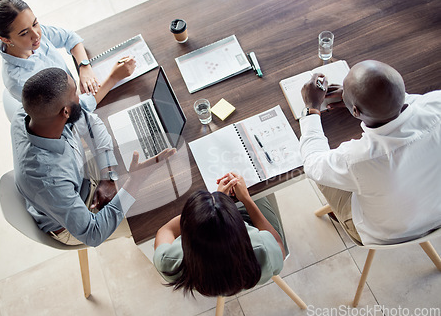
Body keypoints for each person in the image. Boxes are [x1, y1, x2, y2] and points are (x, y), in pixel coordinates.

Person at [11, 67, 174, 247]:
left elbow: (92, 124)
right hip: (74, 223)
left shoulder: (29, 114)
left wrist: (108, 177)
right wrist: (135, 181)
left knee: (143, 158)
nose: (79, 97)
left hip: (77, 177)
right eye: (75, 93)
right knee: (162, 212)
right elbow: (93, 233)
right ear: (65, 112)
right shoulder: (49, 180)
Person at [299, 59, 441, 245]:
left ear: (355, 111)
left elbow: (312, 162)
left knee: (321, 174)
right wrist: (368, 99)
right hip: (435, 213)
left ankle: (343, 217)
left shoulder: (357, 159)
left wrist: (312, 108)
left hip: (386, 233)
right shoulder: (437, 100)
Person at [0, 0, 135, 112]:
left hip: (73, 92)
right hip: (64, 116)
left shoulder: (34, 35)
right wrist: (114, 77)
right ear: (5, 39)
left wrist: (84, 66)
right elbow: (72, 110)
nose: (36, 35)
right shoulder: (21, 82)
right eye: (24, 33)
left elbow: (70, 37)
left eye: (35, 23)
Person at [153, 172, 288, 297]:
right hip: (249, 270)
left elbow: (166, 230)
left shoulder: (169, 262)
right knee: (259, 188)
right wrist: (245, 199)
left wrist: (201, 212)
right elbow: (279, 248)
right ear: (239, 226)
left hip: (211, 283)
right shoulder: (262, 248)